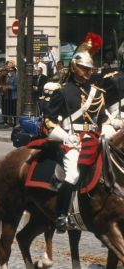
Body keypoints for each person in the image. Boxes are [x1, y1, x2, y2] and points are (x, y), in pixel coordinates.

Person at [45, 33, 116, 233]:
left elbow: (102, 118)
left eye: (90, 69)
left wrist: (110, 127)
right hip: (71, 141)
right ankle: (61, 215)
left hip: (92, 139)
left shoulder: (97, 93)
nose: (88, 72)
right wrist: (64, 135)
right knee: (74, 174)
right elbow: (48, 120)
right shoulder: (63, 91)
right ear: (75, 68)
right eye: (84, 69)